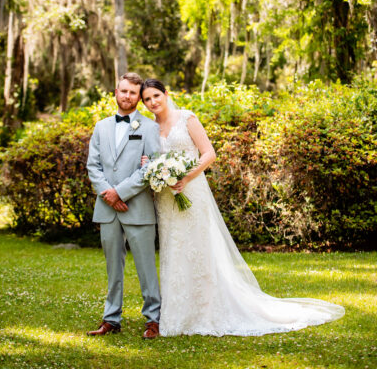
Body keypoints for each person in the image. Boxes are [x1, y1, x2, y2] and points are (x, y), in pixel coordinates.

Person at [140, 78, 345, 337]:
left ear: (166, 94)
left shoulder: (187, 118)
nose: (152, 102)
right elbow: (151, 157)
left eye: (156, 95)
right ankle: (178, 314)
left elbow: (208, 153)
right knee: (175, 250)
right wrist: (152, 166)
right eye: (147, 99)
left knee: (200, 249)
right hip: (166, 198)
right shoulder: (149, 127)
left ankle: (207, 310)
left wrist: (187, 177)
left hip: (192, 191)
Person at [86, 72, 161, 339]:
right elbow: (92, 166)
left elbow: (151, 167)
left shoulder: (149, 127)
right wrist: (108, 194)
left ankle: (153, 319)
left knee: (146, 267)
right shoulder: (101, 126)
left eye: (132, 92)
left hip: (137, 209)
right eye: (123, 91)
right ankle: (111, 319)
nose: (127, 96)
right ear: (115, 92)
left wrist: (120, 192)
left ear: (138, 97)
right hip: (107, 210)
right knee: (113, 268)